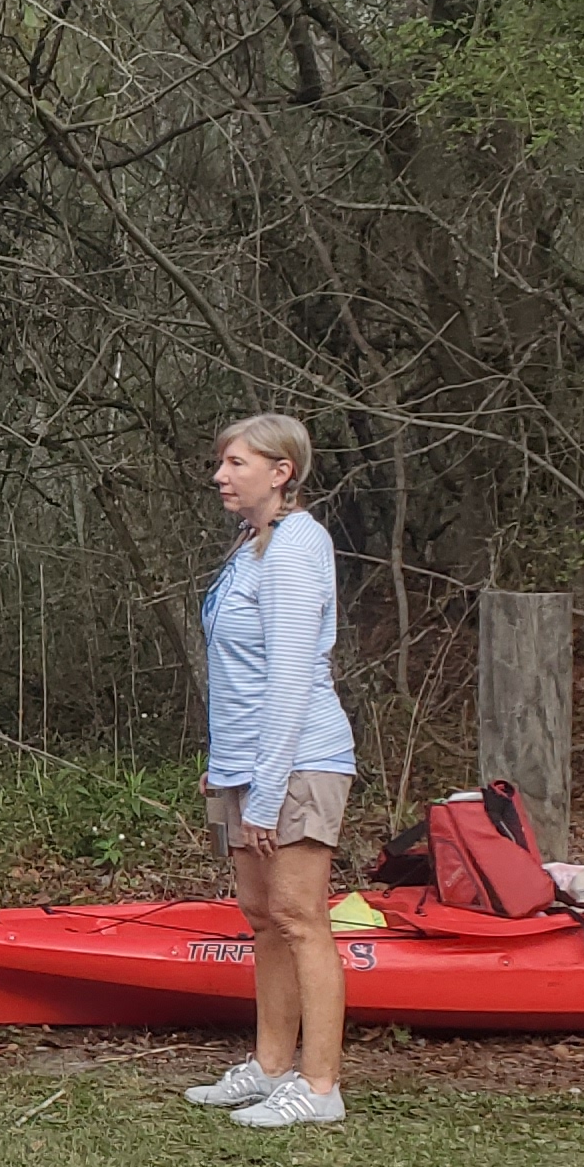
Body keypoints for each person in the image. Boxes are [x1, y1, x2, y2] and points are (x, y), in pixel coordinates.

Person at [180, 413, 359, 1129]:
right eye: (221, 463)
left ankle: (320, 1088)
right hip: (250, 765)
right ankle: (271, 1065)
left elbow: (288, 679)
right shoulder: (251, 550)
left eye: (236, 463)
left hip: (299, 761)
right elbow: (239, 677)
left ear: (281, 472)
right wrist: (225, 767)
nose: (221, 476)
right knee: (262, 919)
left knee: (298, 915)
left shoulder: (295, 549)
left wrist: (264, 789)